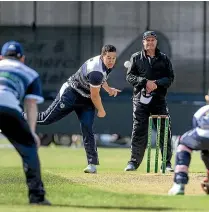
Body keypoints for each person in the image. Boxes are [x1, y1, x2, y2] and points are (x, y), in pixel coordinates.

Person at [24, 44, 121, 174]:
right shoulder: (96, 71)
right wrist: (101, 110)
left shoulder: (106, 66)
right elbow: (95, 95)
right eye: (108, 58)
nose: (111, 61)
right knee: (46, 119)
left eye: (114, 58)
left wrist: (109, 89)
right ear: (102, 56)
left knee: (87, 128)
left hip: (86, 99)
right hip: (71, 94)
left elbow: (101, 81)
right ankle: (18, 116)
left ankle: (92, 164)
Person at [0, 41, 50, 205]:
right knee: (29, 150)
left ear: (1, 57)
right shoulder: (30, 73)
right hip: (8, 108)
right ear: (22, 59)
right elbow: (30, 105)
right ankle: (36, 197)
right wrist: (32, 133)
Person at [125, 31, 174, 172]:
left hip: (158, 99)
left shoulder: (164, 59)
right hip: (140, 99)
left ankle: (167, 162)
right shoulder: (136, 58)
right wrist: (144, 82)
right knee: (139, 129)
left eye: (152, 40)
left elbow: (170, 78)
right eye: (147, 40)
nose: (150, 43)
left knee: (164, 130)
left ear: (156, 42)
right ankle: (133, 162)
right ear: (143, 42)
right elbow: (130, 77)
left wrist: (156, 83)